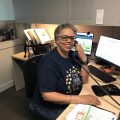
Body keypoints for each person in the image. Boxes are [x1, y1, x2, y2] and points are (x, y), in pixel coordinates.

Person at [29, 23, 101, 120]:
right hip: (48, 106)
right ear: (56, 40)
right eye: (64, 38)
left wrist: (84, 59)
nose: (69, 41)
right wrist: (79, 99)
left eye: (72, 38)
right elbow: (47, 95)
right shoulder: (48, 62)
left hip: (69, 100)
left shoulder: (73, 56)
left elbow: (84, 80)